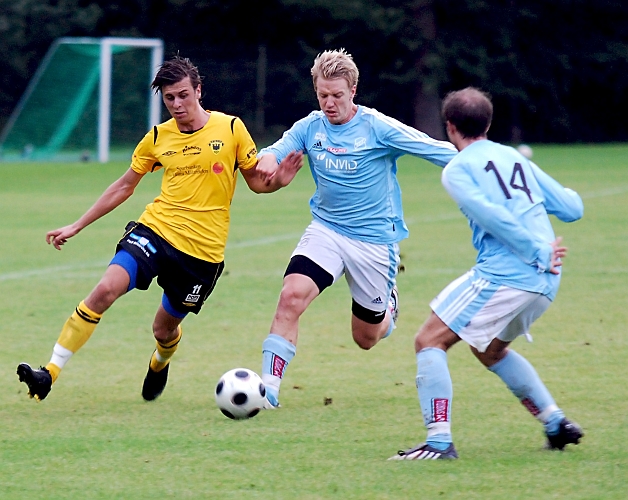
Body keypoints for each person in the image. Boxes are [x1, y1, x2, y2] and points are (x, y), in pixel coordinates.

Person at [17, 55, 302, 402]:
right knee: (105, 289)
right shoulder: (156, 138)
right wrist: (77, 225)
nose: (177, 104)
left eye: (183, 95)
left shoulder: (230, 129)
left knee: (163, 329)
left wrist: (279, 182)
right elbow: (124, 186)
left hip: (202, 253)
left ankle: (160, 360)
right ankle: (49, 373)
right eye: (170, 98)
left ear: (199, 91)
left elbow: (257, 182)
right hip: (156, 231)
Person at [254, 49, 458, 408]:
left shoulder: (377, 127)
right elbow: (273, 152)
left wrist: (486, 164)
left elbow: (433, 149)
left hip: (373, 243)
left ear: (353, 91)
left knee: (366, 338)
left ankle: (388, 309)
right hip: (326, 231)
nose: (329, 104)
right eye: (322, 96)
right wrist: (269, 167)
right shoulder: (310, 127)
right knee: (291, 297)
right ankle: (267, 390)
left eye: (337, 95)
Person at [389, 87, 584, 460]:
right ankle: (555, 423)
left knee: (429, 339)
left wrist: (536, 250)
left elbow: (492, 216)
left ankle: (439, 443)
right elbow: (571, 208)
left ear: (449, 127)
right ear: (488, 123)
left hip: (511, 273)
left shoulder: (458, 170)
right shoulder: (512, 157)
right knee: (490, 351)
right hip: (546, 281)